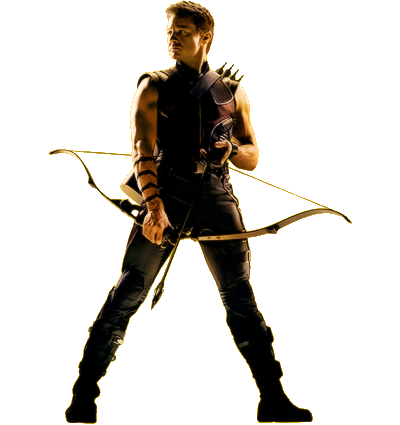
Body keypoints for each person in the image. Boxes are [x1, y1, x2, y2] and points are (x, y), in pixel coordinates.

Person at [66, 2, 312, 423]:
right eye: (169, 30)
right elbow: (142, 150)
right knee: (129, 290)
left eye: (182, 30)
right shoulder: (153, 85)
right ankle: (83, 394)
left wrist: (231, 149)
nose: (172, 37)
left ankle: (273, 399)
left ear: (205, 36)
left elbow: (253, 156)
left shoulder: (232, 91)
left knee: (240, 297)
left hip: (217, 194)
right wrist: (153, 208)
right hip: (166, 193)